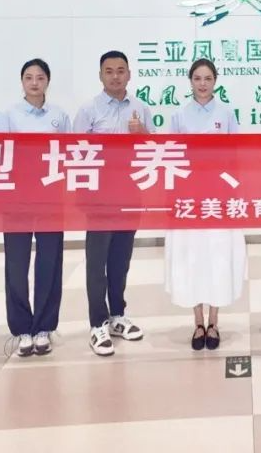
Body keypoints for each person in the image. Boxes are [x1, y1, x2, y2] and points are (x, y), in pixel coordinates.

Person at [74, 50, 154, 356]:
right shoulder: (88, 110)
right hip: (99, 197)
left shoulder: (140, 108)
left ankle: (118, 315)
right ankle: (98, 323)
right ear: (100, 75)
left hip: (130, 194)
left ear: (129, 74)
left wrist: (141, 133)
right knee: (97, 262)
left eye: (121, 70)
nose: (116, 76)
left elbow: (154, 150)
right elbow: (76, 153)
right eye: (109, 71)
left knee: (121, 259)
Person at [164, 59, 247, 350]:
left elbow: (236, 155)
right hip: (189, 197)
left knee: (217, 256)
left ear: (215, 81)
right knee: (192, 257)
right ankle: (197, 321)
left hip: (219, 197)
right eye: (197, 78)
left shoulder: (226, 113)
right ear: (190, 81)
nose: (202, 83)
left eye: (208, 78)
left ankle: (214, 322)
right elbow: (172, 156)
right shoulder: (179, 115)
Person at [0, 58, 72, 357]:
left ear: (47, 81)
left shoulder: (59, 116)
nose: (35, 82)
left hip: (50, 196)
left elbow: (68, 154)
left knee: (50, 262)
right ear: (22, 82)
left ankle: (44, 327)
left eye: (40, 77)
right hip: (17, 198)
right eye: (29, 77)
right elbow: (1, 155)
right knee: (16, 264)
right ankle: (22, 328)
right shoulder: (8, 116)